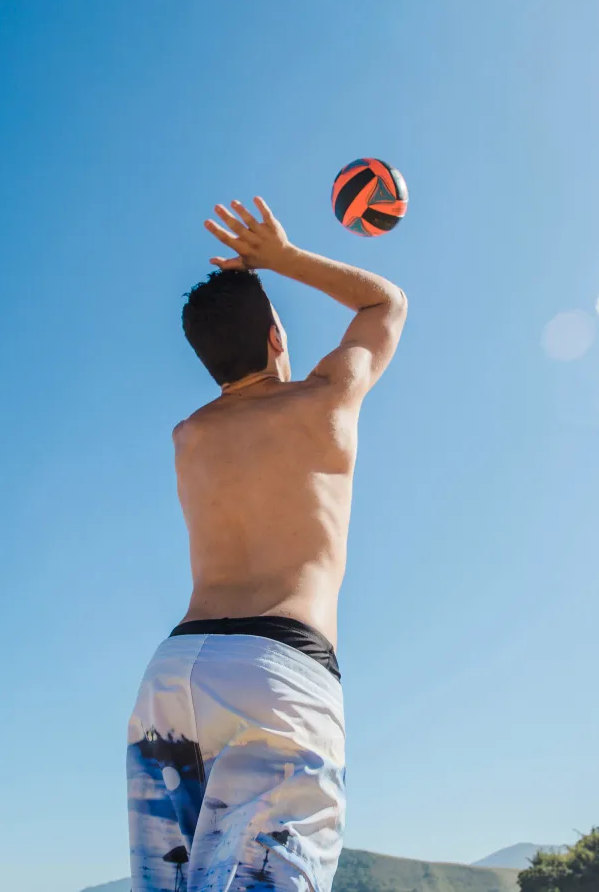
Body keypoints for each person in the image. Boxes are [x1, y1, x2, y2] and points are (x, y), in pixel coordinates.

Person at [125, 196, 407, 892]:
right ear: (277, 336)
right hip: (276, 671)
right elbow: (385, 305)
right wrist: (281, 258)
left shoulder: (188, 436)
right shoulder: (323, 401)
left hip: (174, 675)